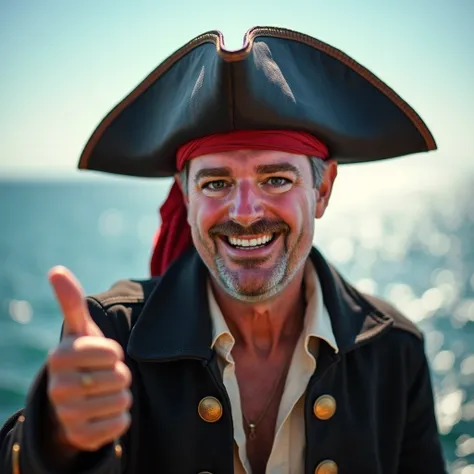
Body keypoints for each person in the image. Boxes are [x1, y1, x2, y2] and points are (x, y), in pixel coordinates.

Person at [0, 26, 447, 474]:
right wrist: (57, 435)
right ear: (187, 197)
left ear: (323, 189)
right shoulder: (114, 334)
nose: (246, 212)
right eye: (216, 183)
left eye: (276, 179)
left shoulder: (393, 350)